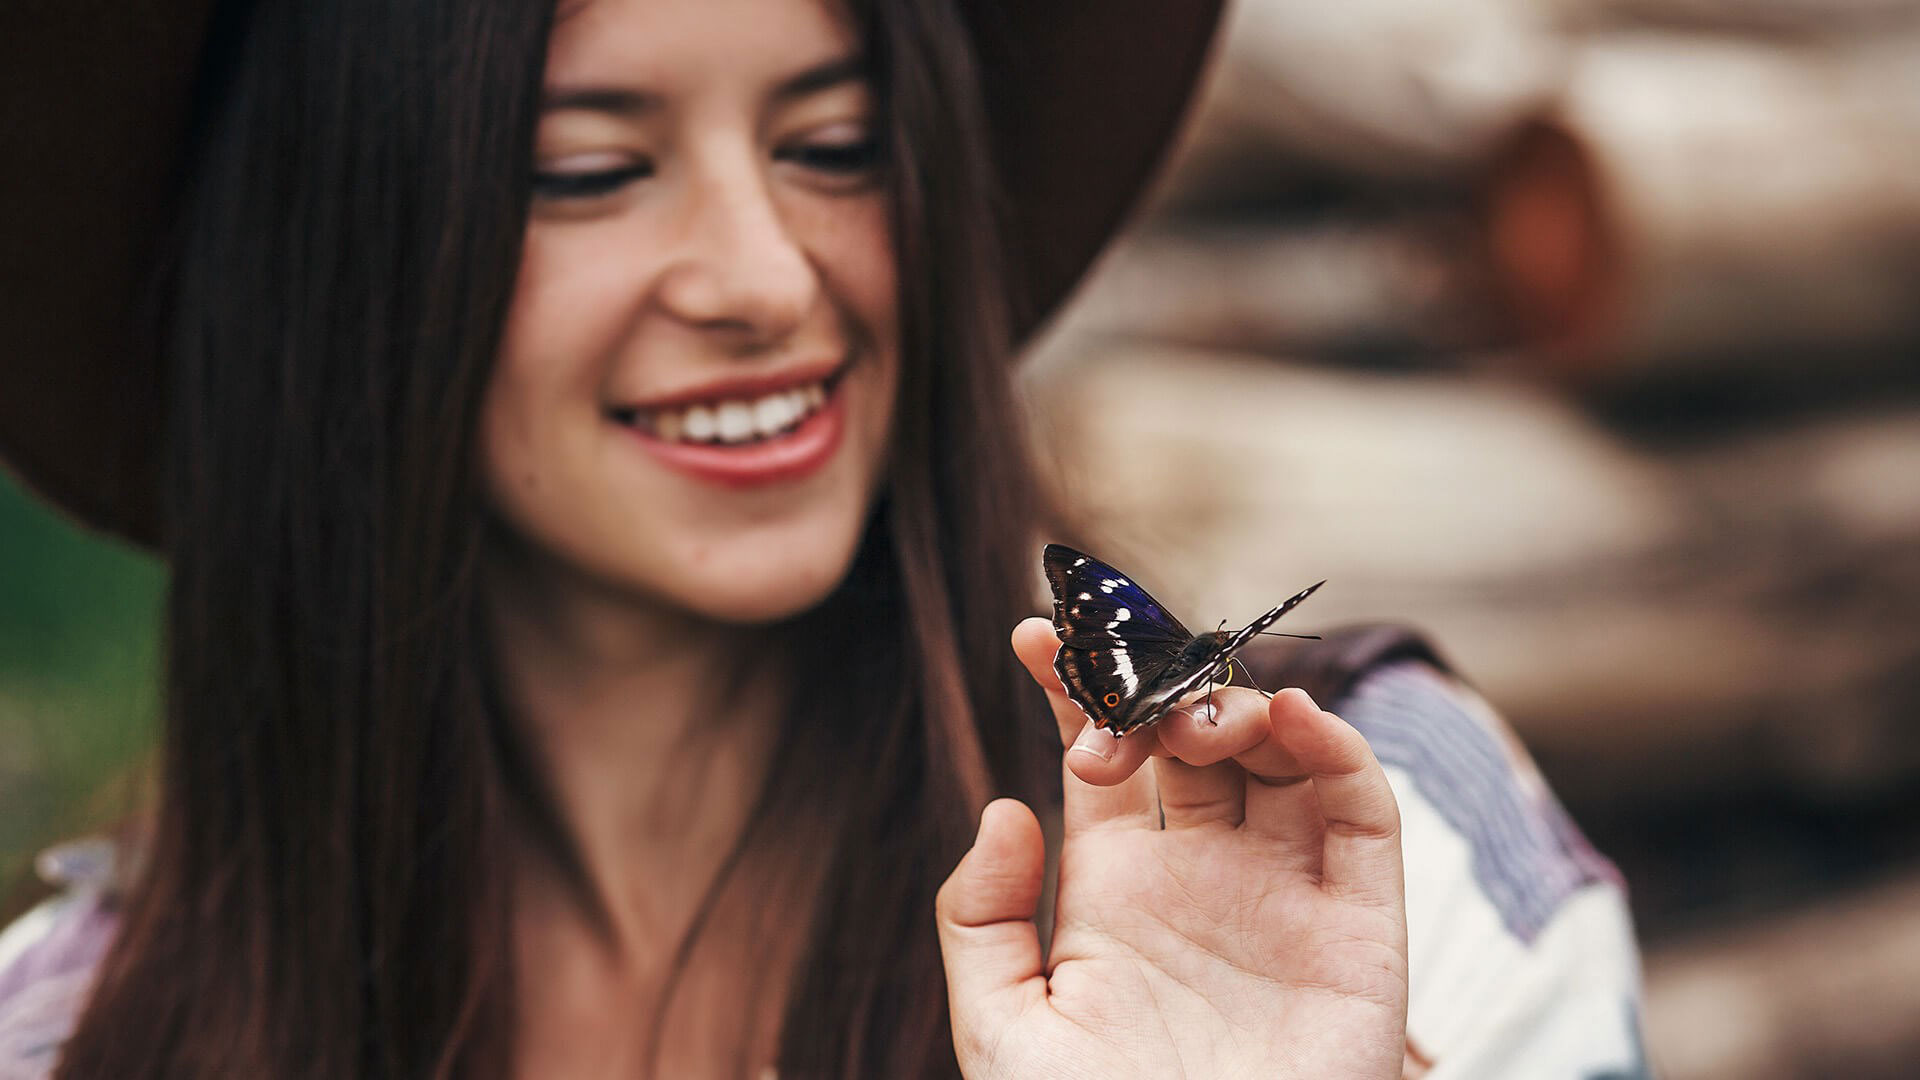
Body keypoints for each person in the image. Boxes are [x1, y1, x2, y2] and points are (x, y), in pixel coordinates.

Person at [0, 0, 1648, 1076]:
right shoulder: (71, 1029)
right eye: (587, 172)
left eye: (837, 148)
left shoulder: (1353, 851)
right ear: (335, 264)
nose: (768, 278)